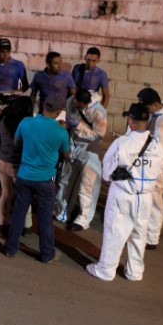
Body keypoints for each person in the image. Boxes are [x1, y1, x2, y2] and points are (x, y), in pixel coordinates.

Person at [86, 103, 163, 282]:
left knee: (115, 232)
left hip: (123, 195)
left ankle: (106, 270)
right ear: (146, 122)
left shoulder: (121, 143)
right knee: (139, 236)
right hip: (145, 198)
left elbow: (107, 173)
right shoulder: (158, 147)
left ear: (130, 120)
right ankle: (134, 272)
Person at [3, 93, 71, 263]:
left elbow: (17, 143)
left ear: (43, 106)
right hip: (46, 179)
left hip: (24, 175)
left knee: (19, 212)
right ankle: (47, 254)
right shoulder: (61, 132)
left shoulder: (26, 122)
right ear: (59, 112)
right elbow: (66, 155)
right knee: (45, 217)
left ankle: (11, 248)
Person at [55, 89, 108, 231]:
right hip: (73, 143)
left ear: (86, 103)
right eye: (74, 102)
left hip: (90, 148)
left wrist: (79, 126)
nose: (75, 105)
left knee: (87, 185)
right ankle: (62, 211)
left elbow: (99, 136)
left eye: (79, 105)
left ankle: (83, 218)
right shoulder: (71, 102)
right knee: (65, 180)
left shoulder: (99, 112)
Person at [137, 87, 163, 250]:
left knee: (155, 199)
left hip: (157, 162)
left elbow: (159, 148)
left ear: (155, 104)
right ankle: (147, 233)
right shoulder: (157, 116)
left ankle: (152, 237)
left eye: (147, 107)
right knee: (149, 197)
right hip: (154, 161)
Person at [0, 37, 29, 183]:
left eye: (7, 51)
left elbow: (25, 86)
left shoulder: (18, 65)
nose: (4, 54)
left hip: (12, 107)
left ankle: (12, 174)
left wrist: (17, 92)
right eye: (1, 51)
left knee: (11, 139)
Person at [0, 96, 34, 237]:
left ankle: (2, 225)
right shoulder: (27, 125)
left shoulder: (4, 121)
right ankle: (26, 225)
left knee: (5, 194)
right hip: (17, 167)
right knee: (24, 196)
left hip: (1, 163)